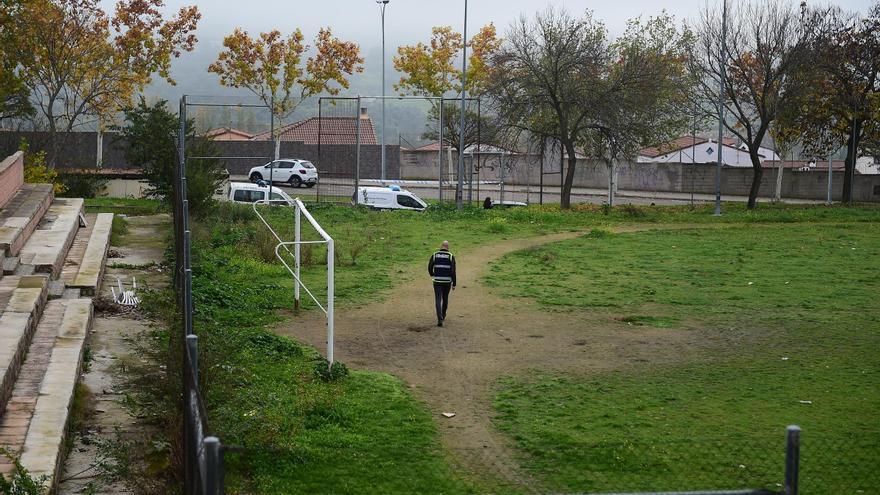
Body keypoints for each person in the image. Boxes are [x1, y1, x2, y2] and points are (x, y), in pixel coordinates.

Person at [428, 240, 456, 327]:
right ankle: (443, 316)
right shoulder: (451, 256)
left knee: (438, 299)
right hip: (447, 282)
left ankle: (439, 319)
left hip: (437, 281)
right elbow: (453, 271)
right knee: (445, 298)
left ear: (441, 246)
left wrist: (432, 274)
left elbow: (429, 267)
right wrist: (454, 283)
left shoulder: (435, 255)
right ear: (448, 247)